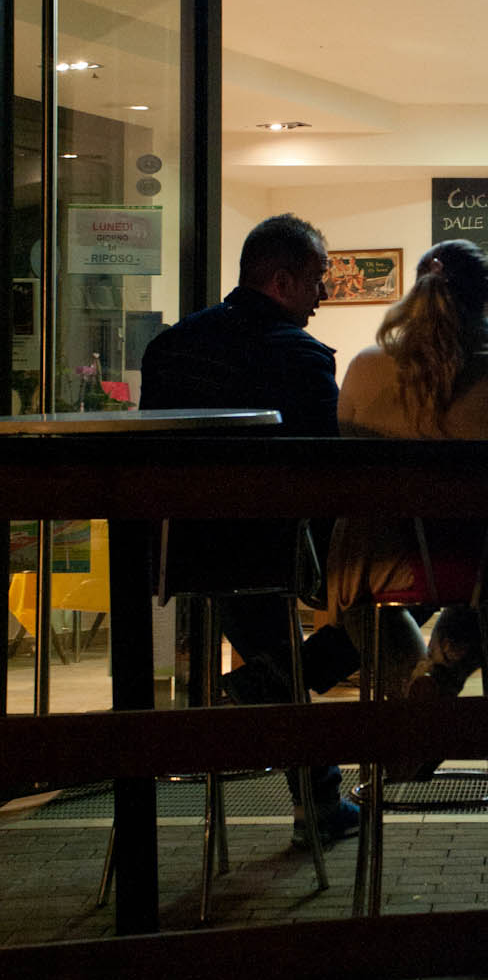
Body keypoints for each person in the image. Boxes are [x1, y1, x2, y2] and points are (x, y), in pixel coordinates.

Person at [138, 213, 360, 846]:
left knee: (273, 649)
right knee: (402, 584)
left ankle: (318, 797)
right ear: (282, 282)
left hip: (183, 553)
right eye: (317, 279)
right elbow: (330, 470)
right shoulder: (300, 355)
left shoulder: (169, 348)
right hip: (272, 551)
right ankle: (292, 690)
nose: (324, 294)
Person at [325, 238, 488, 735]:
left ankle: (418, 700)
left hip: (380, 566)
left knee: (364, 599)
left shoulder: (366, 368)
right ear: (487, 301)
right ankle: (438, 681)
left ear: (416, 291)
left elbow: (349, 461)